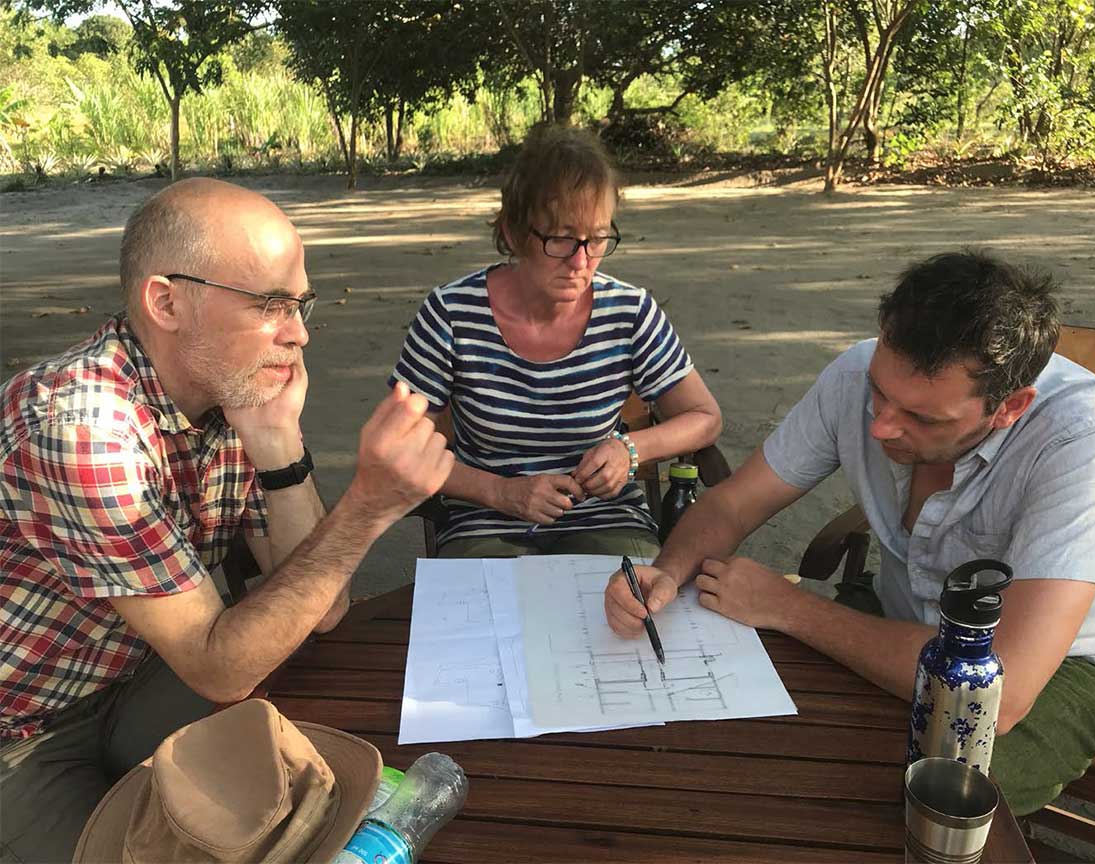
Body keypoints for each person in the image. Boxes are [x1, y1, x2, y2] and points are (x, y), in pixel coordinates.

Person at [0, 178, 453, 862]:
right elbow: (219, 669)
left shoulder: (225, 395)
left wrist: (277, 441)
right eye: (271, 305)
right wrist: (366, 509)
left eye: (300, 305)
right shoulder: (82, 430)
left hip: (133, 676)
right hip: (23, 725)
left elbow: (322, 608)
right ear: (167, 301)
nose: (298, 334)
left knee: (319, 788)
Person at [604, 250, 1095, 815]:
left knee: (914, 796)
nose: (881, 424)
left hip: (1059, 669)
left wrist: (792, 608)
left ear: (1009, 407)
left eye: (923, 418)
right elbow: (733, 504)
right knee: (761, 746)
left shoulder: (1081, 445)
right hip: (900, 618)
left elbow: (999, 690)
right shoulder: (857, 375)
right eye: (880, 392)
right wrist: (666, 574)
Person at [390, 125, 721, 558]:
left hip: (608, 517)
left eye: (598, 238)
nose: (581, 262)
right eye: (561, 238)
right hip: (485, 521)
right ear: (512, 233)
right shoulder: (452, 314)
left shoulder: (628, 312)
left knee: (635, 616)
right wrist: (502, 493)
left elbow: (705, 417)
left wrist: (630, 449)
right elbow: (398, 447)